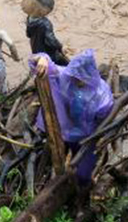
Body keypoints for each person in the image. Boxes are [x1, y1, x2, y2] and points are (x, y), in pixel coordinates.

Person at [30, 49, 113, 184]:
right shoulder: (67, 77)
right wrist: (42, 59)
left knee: (83, 174)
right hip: (67, 133)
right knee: (64, 163)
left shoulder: (101, 94)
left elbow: (105, 120)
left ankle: (84, 191)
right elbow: (43, 64)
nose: (75, 80)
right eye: (74, 77)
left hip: (88, 138)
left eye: (79, 78)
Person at [22, 0, 69, 66]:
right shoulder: (45, 23)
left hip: (36, 52)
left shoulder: (29, 19)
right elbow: (51, 41)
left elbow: (28, 34)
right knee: (68, 65)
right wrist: (61, 47)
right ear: (45, 11)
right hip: (48, 55)